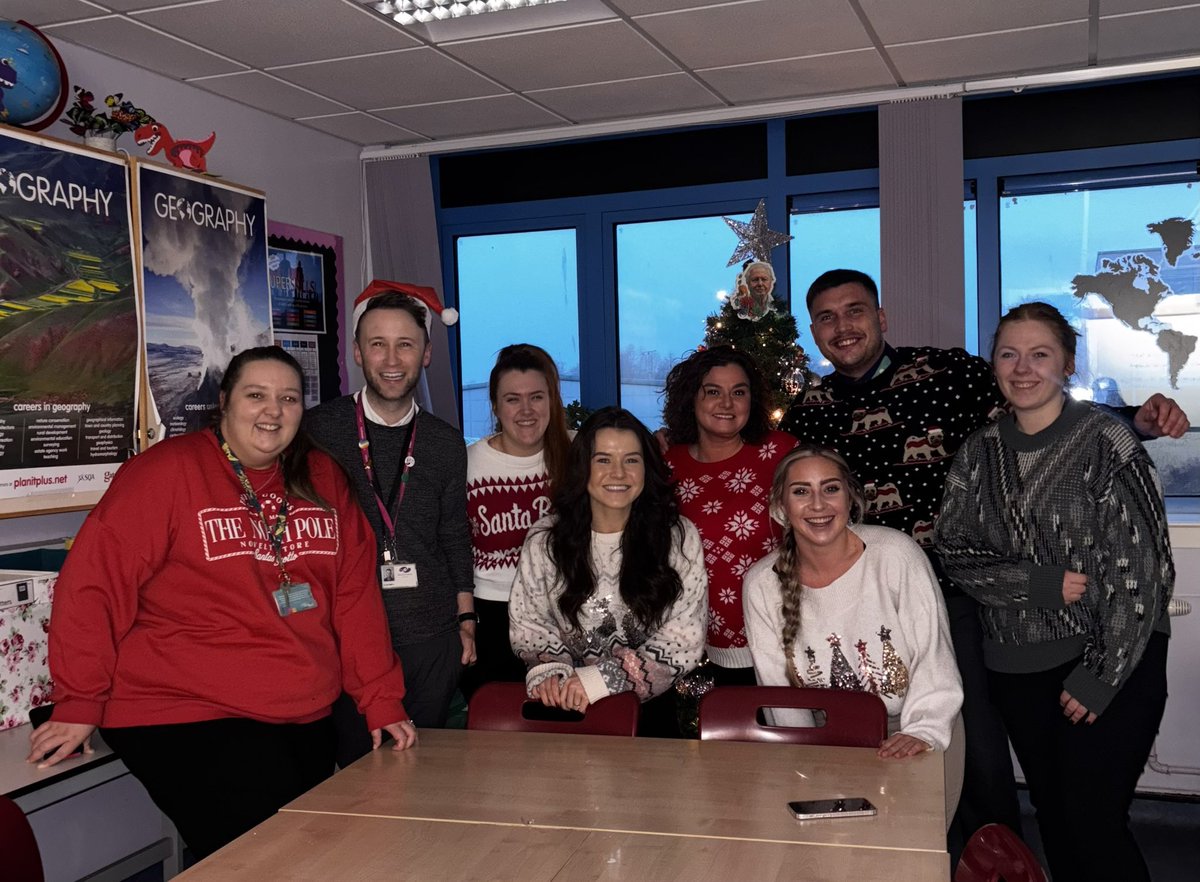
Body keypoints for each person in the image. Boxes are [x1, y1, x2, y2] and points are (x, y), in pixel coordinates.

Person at [778, 269, 1188, 851]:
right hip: (861, 603)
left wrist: (1134, 419)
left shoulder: (950, 374)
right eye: (826, 317)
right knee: (875, 742)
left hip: (956, 597)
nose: (842, 326)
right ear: (815, 330)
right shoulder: (806, 412)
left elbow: (1040, 404)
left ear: (881, 317)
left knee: (977, 756)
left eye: (855, 311)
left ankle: (995, 863)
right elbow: (776, 479)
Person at [28, 347, 415, 860]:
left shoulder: (323, 477)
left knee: (308, 855)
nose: (273, 411)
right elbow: (93, 588)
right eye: (256, 395)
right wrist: (79, 701)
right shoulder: (166, 472)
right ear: (224, 402)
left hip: (302, 709)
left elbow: (355, 597)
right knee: (269, 860)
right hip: (185, 710)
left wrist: (380, 698)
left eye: (289, 399)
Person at [935, 302, 1173, 882]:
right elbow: (954, 550)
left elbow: (1145, 570)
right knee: (1057, 818)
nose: (1023, 368)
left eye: (1039, 354)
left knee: (1094, 822)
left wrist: (1101, 675)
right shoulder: (977, 453)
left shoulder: (1108, 442)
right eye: (1009, 354)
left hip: (1111, 656)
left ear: (1067, 363)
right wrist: (1036, 583)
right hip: (1017, 666)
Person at [305, 282, 474, 765]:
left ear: (426, 354)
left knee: (425, 772)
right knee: (360, 775)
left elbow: (453, 535)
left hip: (431, 639)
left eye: (406, 344)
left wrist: (465, 622)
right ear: (358, 353)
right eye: (378, 344)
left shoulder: (444, 442)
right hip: (345, 644)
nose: (392, 359)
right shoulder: (317, 431)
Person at [743, 445, 962, 757]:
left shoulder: (896, 554)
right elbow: (778, 692)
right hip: (824, 736)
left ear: (850, 497)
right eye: (801, 491)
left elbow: (934, 656)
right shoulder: (761, 584)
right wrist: (803, 753)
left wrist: (923, 731)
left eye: (831, 489)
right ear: (780, 506)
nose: (818, 504)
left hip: (915, 726)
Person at [508, 407, 706, 735]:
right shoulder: (545, 539)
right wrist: (552, 672)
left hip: (650, 717)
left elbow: (684, 638)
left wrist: (602, 680)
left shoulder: (678, 536)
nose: (618, 473)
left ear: (647, 468)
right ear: (582, 466)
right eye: (603, 460)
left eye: (631, 460)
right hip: (565, 706)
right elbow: (529, 623)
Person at [661, 345, 796, 687]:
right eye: (712, 392)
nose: (726, 403)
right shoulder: (667, 465)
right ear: (691, 399)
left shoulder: (781, 453)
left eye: (738, 392)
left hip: (788, 636)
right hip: (703, 645)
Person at [462, 343, 572, 697]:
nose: (526, 410)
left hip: (562, 613)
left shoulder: (578, 456)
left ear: (552, 401)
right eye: (512, 399)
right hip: (491, 617)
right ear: (495, 405)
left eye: (536, 397)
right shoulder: (468, 464)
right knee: (497, 718)